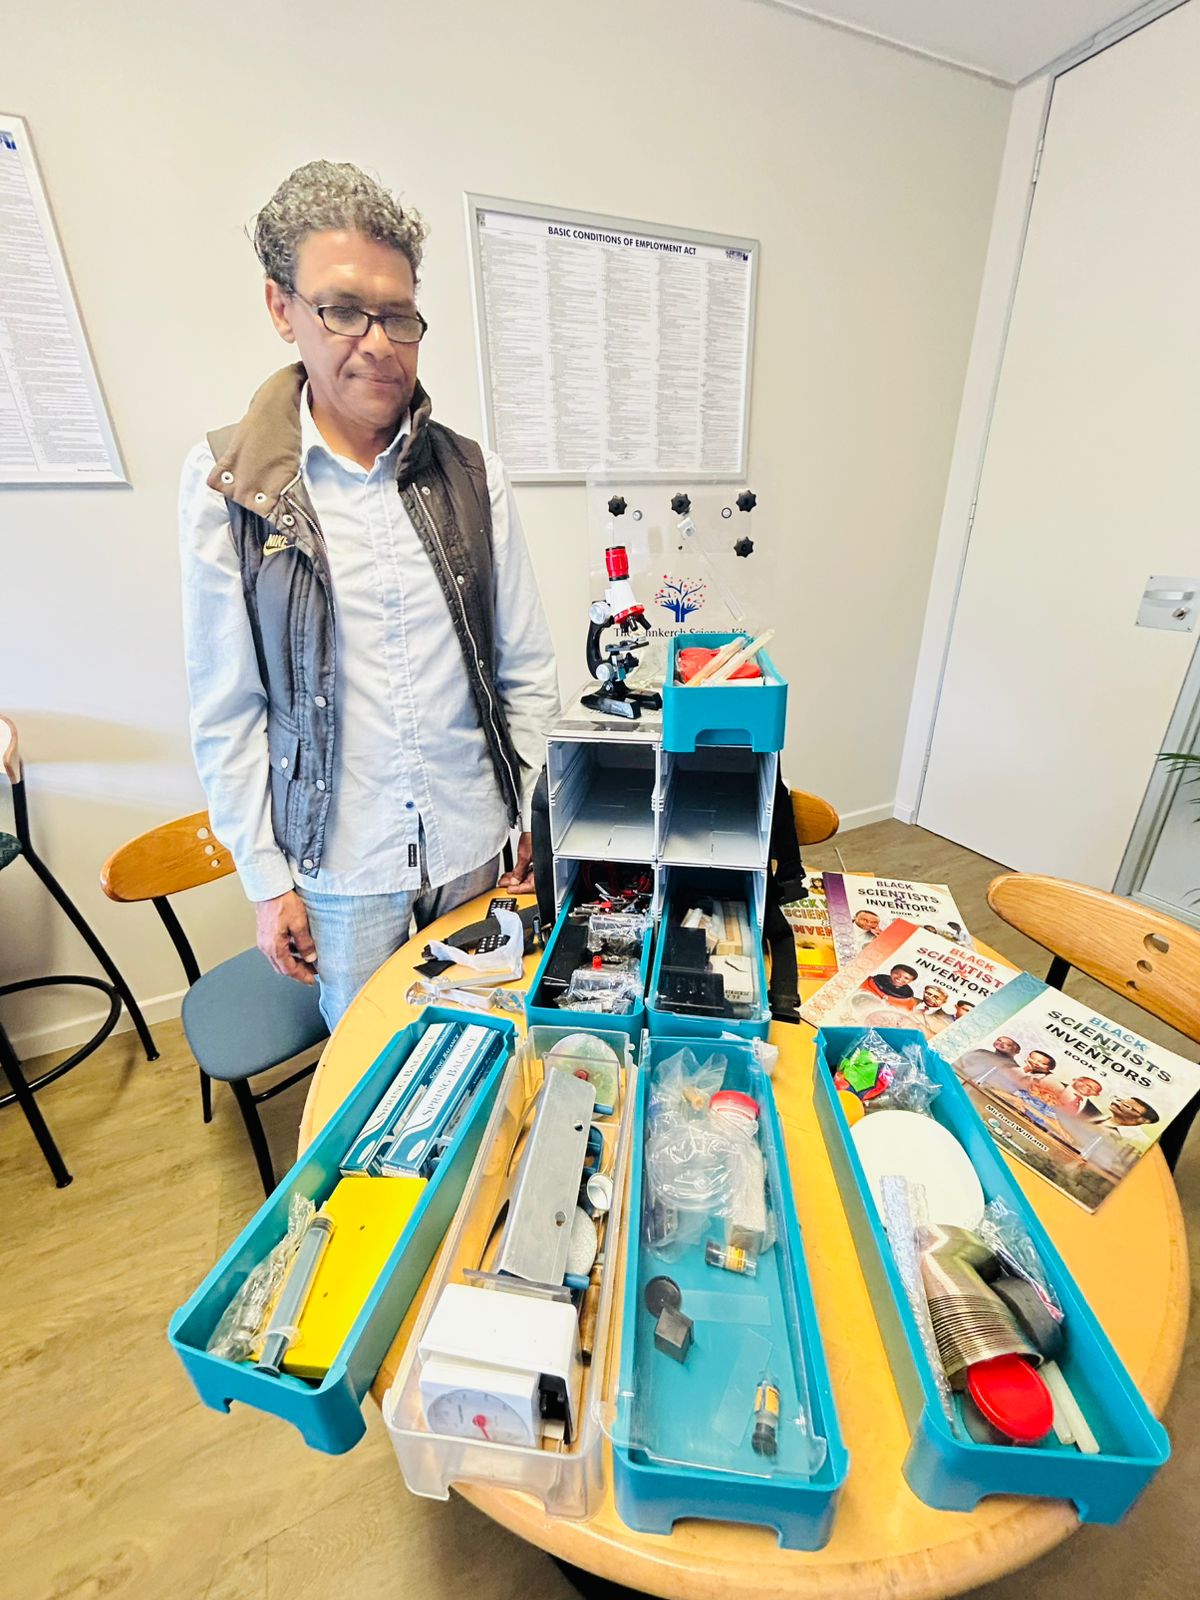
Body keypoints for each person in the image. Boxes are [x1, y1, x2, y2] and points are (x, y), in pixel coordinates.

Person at [179, 161, 560, 1028]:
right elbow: (227, 704)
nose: (379, 343)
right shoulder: (229, 484)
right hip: (342, 872)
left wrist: (536, 815)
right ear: (282, 309)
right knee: (374, 1071)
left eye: (399, 316)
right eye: (344, 310)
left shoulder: (473, 474)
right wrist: (265, 879)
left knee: (492, 1041)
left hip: (477, 848)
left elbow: (526, 666)